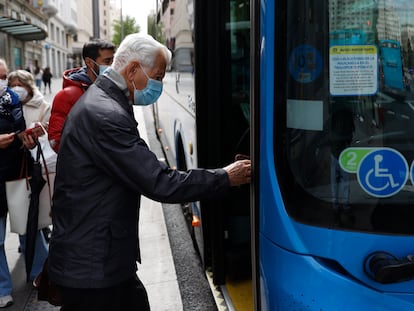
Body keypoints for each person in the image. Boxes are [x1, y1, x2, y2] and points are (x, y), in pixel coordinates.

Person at [48, 33, 251, 311]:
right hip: (94, 269)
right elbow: (160, 182)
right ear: (132, 70)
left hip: (98, 259)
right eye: (157, 76)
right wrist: (226, 176)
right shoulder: (106, 114)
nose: (160, 84)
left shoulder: (104, 100)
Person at [0, 59, 43, 308]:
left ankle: (41, 274)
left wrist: (29, 140)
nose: (3, 82)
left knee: (29, 227)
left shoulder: (12, 101)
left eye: (4, 76)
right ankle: (3, 288)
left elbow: (21, 131)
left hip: (18, 174)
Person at [8, 69, 55, 244]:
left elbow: (51, 135)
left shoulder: (44, 106)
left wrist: (37, 137)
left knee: (38, 204)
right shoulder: (7, 105)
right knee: (23, 205)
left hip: (37, 164)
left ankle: (41, 232)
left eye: (20, 85)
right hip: (15, 164)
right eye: (12, 85)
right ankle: (28, 241)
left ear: (29, 86)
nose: (16, 88)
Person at [48, 39, 116, 152]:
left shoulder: (113, 89)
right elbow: (56, 140)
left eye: (113, 61)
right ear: (89, 62)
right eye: (107, 61)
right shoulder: (67, 95)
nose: (112, 66)